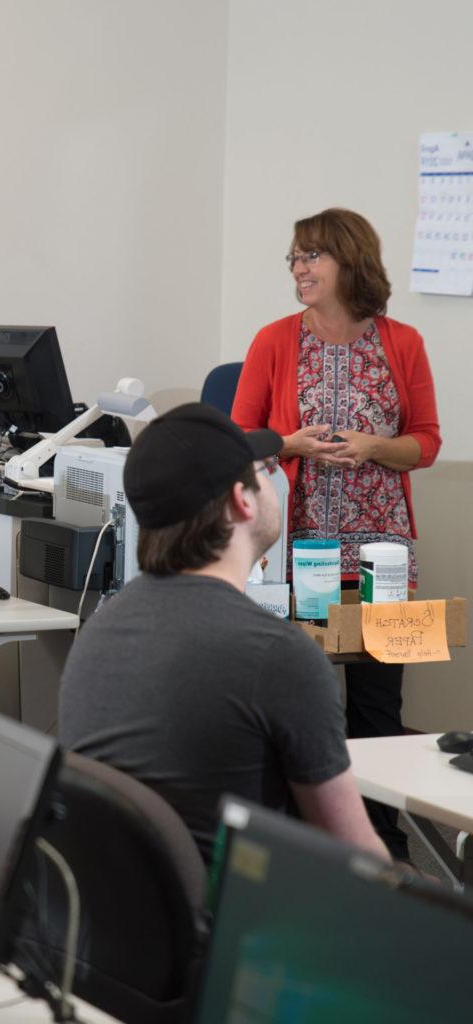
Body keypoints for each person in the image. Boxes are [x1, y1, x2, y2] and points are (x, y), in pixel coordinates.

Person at [58, 402, 389, 864]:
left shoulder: (100, 631)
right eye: (263, 469)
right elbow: (357, 859)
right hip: (235, 926)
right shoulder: (277, 655)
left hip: (116, 925)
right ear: (243, 499)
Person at [231, 208, 442, 861]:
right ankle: (307, 844)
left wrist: (378, 445)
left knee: (380, 709)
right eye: (293, 258)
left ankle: (387, 848)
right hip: (301, 552)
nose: (298, 268)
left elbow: (427, 444)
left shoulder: (402, 342)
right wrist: (291, 442)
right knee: (305, 700)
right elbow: (236, 440)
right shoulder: (274, 340)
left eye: (311, 256)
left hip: (385, 554)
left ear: (350, 260)